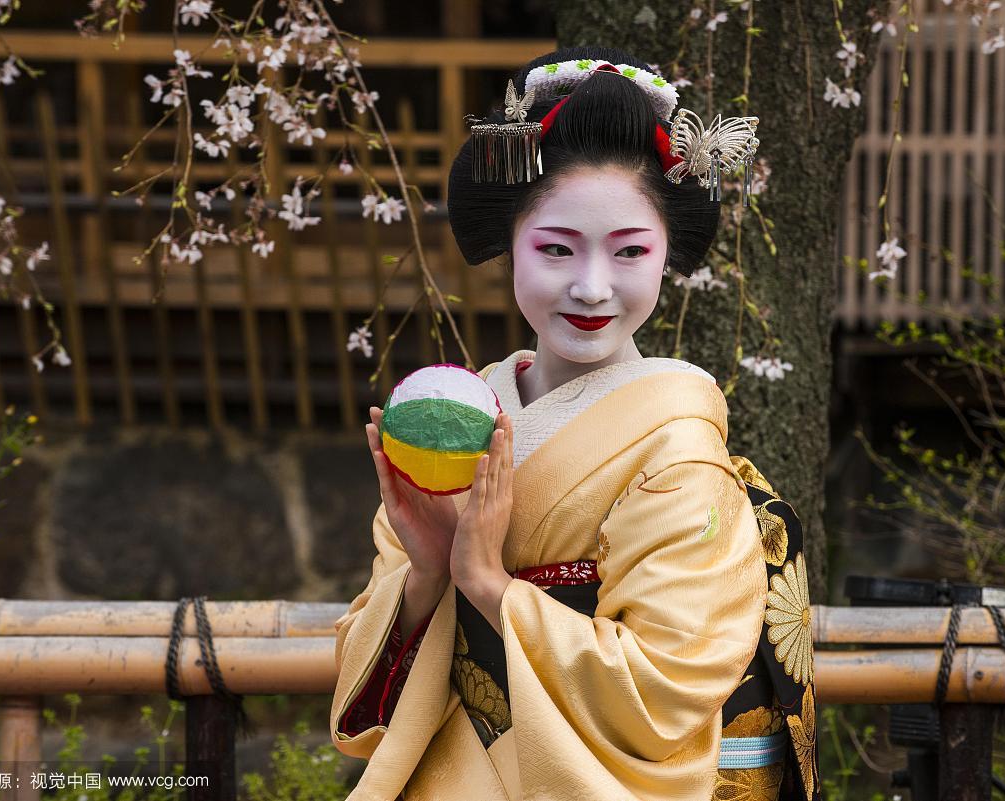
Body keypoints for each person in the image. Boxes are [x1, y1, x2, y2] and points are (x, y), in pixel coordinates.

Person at [330, 45, 816, 801]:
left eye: (629, 251)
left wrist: (489, 586)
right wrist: (427, 573)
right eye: (556, 248)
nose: (592, 287)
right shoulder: (459, 422)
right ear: (512, 247)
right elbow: (366, 691)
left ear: (664, 258)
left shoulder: (680, 450)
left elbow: (664, 695)